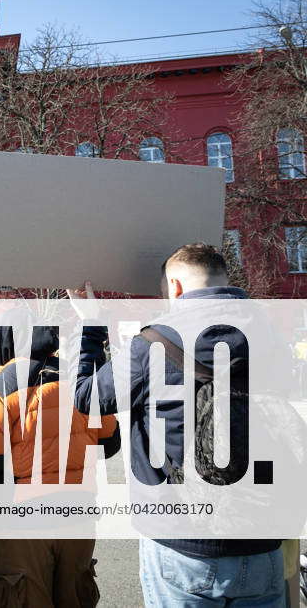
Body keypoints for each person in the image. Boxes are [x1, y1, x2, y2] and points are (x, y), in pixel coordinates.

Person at [71, 243, 285, 607]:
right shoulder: (271, 336)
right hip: (261, 538)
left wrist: (91, 326)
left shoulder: (154, 341)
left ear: (176, 286)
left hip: (182, 540)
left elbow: (88, 400)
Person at [0, 316, 119, 607]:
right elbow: (110, 444)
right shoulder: (79, 383)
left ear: (6, 342)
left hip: (23, 519)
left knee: (22, 596)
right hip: (79, 511)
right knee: (76, 596)